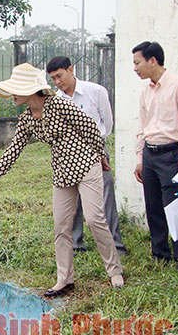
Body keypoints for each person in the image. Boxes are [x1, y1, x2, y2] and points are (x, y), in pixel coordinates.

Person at [0, 63, 123, 297]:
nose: (12, 94)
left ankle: (114, 271)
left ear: (31, 89)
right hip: (62, 172)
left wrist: (101, 156)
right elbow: (13, 151)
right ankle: (65, 279)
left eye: (16, 89)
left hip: (86, 164)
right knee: (61, 226)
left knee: (94, 219)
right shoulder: (26, 119)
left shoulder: (59, 104)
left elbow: (90, 128)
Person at [46, 56, 128, 256]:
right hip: (68, 155)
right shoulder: (55, 100)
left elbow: (107, 124)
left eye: (60, 76)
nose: (57, 82)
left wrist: (95, 146)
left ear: (71, 70)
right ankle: (76, 243)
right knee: (72, 199)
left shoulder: (96, 92)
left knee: (105, 197)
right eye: (53, 79)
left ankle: (115, 244)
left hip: (95, 151)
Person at [132, 41, 178, 264]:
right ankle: (160, 254)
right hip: (150, 152)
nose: (135, 68)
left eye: (137, 62)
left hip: (171, 154)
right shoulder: (145, 91)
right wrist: (140, 158)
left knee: (175, 205)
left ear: (153, 60)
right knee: (153, 206)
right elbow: (142, 127)